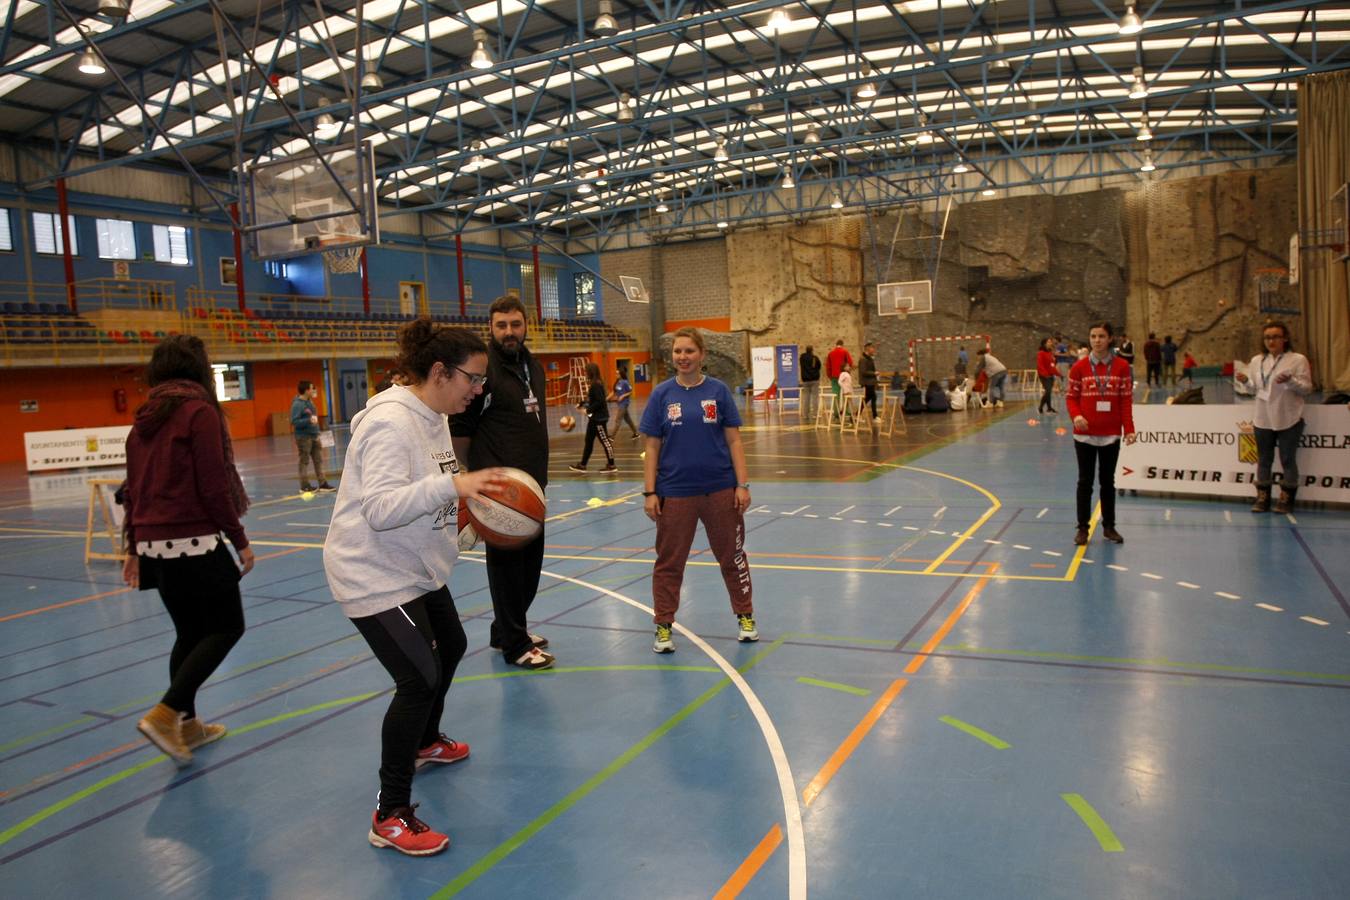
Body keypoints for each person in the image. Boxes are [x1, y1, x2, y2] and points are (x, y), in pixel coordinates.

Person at [325, 317, 508, 857]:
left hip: (413, 568)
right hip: (372, 573)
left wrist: (466, 516)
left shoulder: (436, 414)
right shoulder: (390, 422)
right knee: (418, 678)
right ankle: (390, 813)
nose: (477, 390)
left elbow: (428, 489)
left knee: (450, 646)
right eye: (472, 379)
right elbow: (380, 509)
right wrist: (454, 485)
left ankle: (426, 741)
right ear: (437, 371)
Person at [121, 335, 254, 767]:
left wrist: (132, 547)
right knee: (226, 627)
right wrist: (239, 540)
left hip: (152, 545)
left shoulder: (142, 421)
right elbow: (213, 487)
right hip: (192, 541)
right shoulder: (199, 412)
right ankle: (166, 713)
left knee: (190, 633)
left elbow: (132, 491)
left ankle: (189, 726)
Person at [450, 296, 556, 670]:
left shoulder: (533, 366)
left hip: (532, 489)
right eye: (501, 325)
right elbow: (461, 429)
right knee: (508, 568)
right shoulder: (485, 371)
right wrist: (470, 478)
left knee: (530, 568)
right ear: (490, 328)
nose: (509, 332)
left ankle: (505, 629)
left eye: (515, 324)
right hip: (499, 493)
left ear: (526, 325)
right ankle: (514, 644)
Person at [640, 328, 756, 653]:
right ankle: (663, 625)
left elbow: (734, 441)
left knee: (732, 557)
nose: (683, 357)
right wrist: (650, 492)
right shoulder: (661, 395)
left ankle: (745, 616)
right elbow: (652, 447)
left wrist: (742, 485)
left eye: (689, 351)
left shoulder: (719, 392)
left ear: (702, 355)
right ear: (672, 355)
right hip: (674, 493)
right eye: (678, 351)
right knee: (669, 562)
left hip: (720, 490)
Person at [1066, 322, 1136, 546]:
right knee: (1085, 482)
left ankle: (1109, 526)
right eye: (1093, 336)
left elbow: (1125, 399)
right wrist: (1076, 416)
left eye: (1101, 336)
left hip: (1111, 435)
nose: (1097, 340)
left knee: (1108, 482)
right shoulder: (1079, 368)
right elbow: (1071, 397)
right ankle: (1082, 529)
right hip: (1084, 435)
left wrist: (1129, 429)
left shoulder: (1122, 367)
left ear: (1110, 339)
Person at [1235, 321, 1311, 514]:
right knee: (1264, 459)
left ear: (1285, 338)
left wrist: (1290, 381)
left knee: (1287, 459)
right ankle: (1262, 498)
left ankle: (1286, 499)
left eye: (1276, 336)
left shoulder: (1297, 360)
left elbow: (1307, 389)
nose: (1271, 341)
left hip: (1288, 417)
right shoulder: (1257, 361)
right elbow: (1255, 388)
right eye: (1267, 337)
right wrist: (1246, 382)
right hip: (1263, 418)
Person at [570, 361, 617, 473]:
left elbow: (600, 402)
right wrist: (582, 404)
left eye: (586, 371)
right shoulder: (595, 384)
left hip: (599, 419)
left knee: (605, 441)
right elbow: (592, 399)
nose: (585, 373)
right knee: (589, 441)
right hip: (594, 419)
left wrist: (587, 410)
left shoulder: (596, 385)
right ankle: (583, 465)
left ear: (590, 372)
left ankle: (612, 465)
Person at [291, 380, 335, 492]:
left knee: (318, 460)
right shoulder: (297, 404)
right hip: (304, 437)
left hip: (314, 435)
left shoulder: (310, 403)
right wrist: (308, 420)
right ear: (306, 390)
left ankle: (323, 483)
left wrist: (317, 431)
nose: (313, 390)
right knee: (304, 461)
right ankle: (304, 485)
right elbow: (294, 421)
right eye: (312, 388)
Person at [608, 365, 639, 439]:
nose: (616, 375)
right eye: (616, 373)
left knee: (617, 420)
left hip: (624, 404)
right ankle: (636, 433)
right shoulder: (618, 382)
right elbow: (614, 392)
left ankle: (612, 436)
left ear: (621, 374)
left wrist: (623, 396)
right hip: (619, 404)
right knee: (628, 419)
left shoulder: (625, 382)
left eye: (617, 373)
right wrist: (606, 398)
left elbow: (630, 392)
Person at [825, 339, 853, 404]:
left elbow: (828, 367)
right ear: (842, 345)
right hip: (844, 376)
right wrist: (848, 373)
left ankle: (836, 412)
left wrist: (830, 376)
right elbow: (850, 363)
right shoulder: (845, 352)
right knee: (846, 393)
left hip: (834, 376)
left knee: (836, 394)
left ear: (836, 345)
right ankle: (847, 412)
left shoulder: (830, 353)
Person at [799, 344, 822, 423]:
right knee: (815, 398)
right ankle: (815, 414)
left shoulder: (802, 357)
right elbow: (819, 367)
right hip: (814, 380)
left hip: (805, 380)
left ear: (806, 350)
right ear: (812, 350)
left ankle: (805, 415)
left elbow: (802, 365)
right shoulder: (814, 358)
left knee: (806, 398)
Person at [859, 342, 880, 423]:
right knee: (871, 397)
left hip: (871, 382)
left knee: (869, 398)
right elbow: (863, 372)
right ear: (868, 349)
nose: (874, 350)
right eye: (872, 348)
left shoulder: (869, 359)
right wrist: (874, 373)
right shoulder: (863, 359)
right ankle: (874, 416)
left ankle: (858, 414)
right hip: (867, 382)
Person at [1036, 337, 1059, 414]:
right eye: (1049, 342)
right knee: (1048, 391)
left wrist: (1058, 374)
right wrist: (1045, 374)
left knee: (1048, 392)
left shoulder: (1050, 353)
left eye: (1051, 342)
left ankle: (1049, 408)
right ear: (1044, 344)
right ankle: (1040, 407)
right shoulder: (1041, 353)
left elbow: (1052, 365)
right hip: (1044, 376)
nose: (1051, 343)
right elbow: (1040, 365)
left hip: (1050, 375)